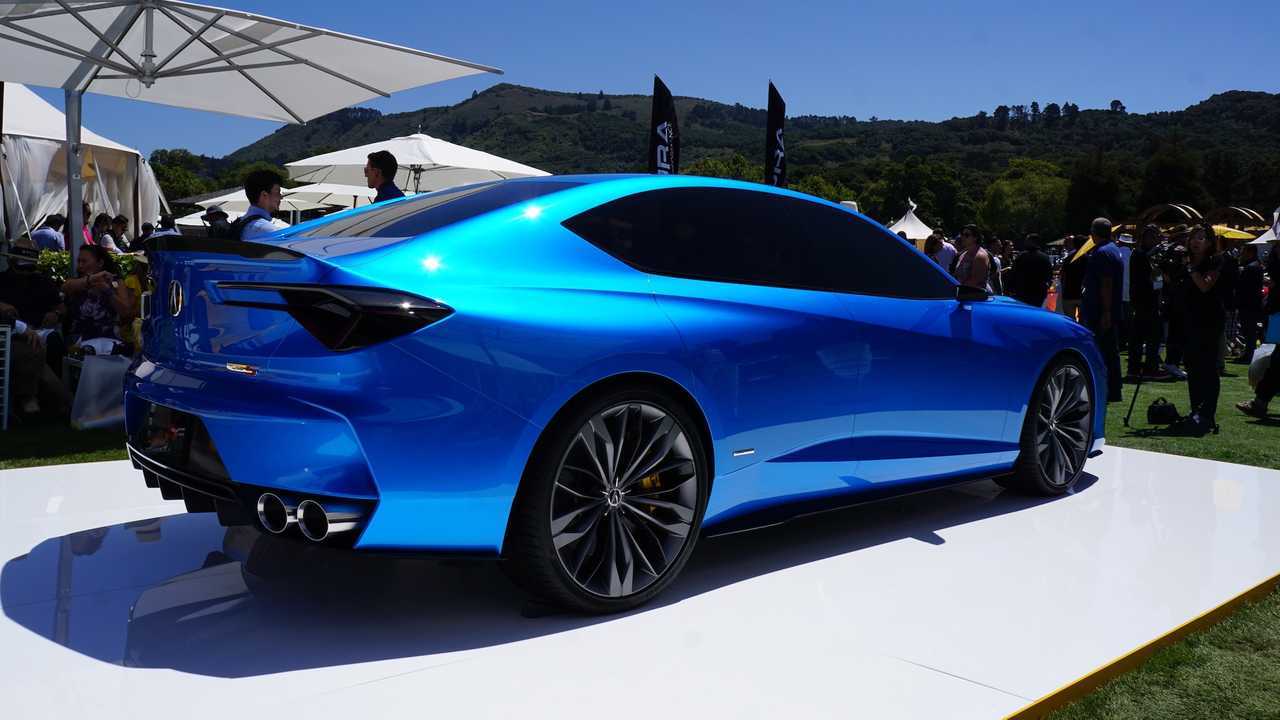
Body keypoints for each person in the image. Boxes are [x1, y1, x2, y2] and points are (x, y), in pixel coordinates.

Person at [1168, 224, 1224, 435]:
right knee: (1192, 366)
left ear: (1209, 242)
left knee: (1207, 368)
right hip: (1188, 319)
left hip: (1209, 321)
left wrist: (1190, 268)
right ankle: (1196, 411)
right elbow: (1171, 283)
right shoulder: (1185, 260)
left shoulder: (1215, 260)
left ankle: (1207, 414)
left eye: (1201, 238)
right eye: (1193, 237)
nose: (1195, 241)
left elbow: (1205, 286)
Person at [1080, 217, 1124, 403]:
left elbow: (1106, 283)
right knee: (1110, 351)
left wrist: (1106, 312)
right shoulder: (1113, 250)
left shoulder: (1101, 253)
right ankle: (1114, 389)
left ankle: (1106, 389)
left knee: (1101, 351)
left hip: (1100, 310)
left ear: (1094, 232)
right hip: (1108, 309)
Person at [61, 245, 134, 343]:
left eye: (84, 261)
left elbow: (125, 312)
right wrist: (94, 278)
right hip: (79, 341)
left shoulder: (116, 283)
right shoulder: (76, 283)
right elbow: (65, 287)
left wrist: (108, 291)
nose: (80, 265)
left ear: (100, 263)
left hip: (109, 340)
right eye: (79, 261)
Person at [1127, 225, 1167, 379]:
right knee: (1141, 337)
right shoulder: (1139, 254)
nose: (1155, 240)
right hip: (1141, 300)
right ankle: (1139, 368)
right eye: (1152, 237)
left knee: (1151, 336)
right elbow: (1150, 275)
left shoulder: (1151, 255)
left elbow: (1157, 277)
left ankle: (1146, 366)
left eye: (1156, 237)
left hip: (1150, 299)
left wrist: (1159, 292)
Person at [1234, 243, 1265, 362]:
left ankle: (1249, 354)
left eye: (1244, 252)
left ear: (1250, 252)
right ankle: (1249, 353)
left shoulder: (1250, 267)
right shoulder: (1257, 265)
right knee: (1250, 330)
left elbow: (1242, 286)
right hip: (1253, 303)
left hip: (1248, 303)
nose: (1242, 254)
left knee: (1249, 330)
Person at [240, 169, 284, 241]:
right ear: (264, 195)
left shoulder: (239, 223)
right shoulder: (270, 232)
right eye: (277, 192)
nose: (281, 197)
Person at [1011, 233, 1052, 308]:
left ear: (1031, 242)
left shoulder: (1021, 256)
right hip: (1039, 292)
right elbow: (1049, 275)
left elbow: (1014, 273)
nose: (1025, 243)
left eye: (1027, 241)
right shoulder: (1045, 257)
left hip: (1023, 292)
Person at [953, 224, 992, 292]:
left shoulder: (980, 256)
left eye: (967, 235)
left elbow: (974, 281)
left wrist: (955, 288)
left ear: (975, 238)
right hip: (963, 293)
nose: (962, 237)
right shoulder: (963, 254)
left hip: (976, 295)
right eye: (962, 234)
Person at [1061, 235, 1087, 321]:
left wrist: (1063, 292)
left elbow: (1063, 277)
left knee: (1070, 322)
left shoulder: (1067, 259)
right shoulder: (1088, 258)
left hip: (1069, 294)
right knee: (1083, 322)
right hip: (1083, 295)